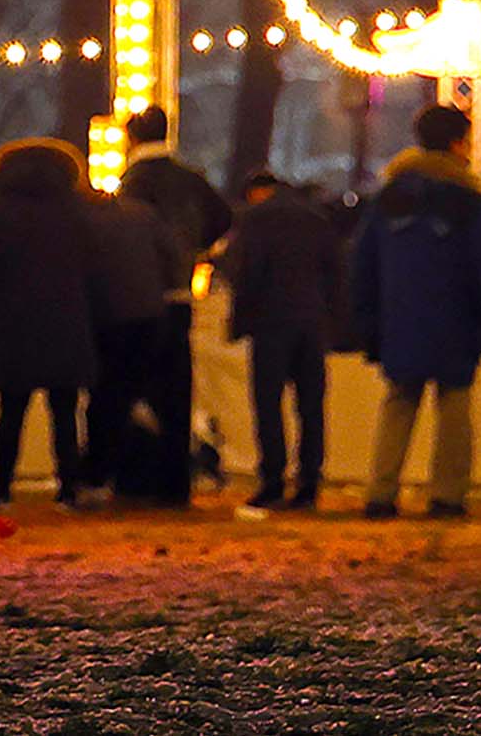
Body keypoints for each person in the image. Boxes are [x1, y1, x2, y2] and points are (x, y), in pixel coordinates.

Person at [352, 104, 481, 520]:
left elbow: (363, 261)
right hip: (456, 320)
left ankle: (381, 492)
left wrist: (367, 319)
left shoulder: (390, 197)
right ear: (458, 143)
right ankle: (447, 495)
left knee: (398, 402)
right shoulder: (470, 202)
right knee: (454, 407)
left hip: (399, 317)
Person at [0, 140, 98, 510]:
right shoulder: (77, 211)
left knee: (11, 412)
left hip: (15, 320)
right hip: (67, 318)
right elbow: (98, 260)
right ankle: (68, 488)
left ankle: (2, 488)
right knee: (65, 411)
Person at [119, 105, 229, 506]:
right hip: (182, 297)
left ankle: (138, 480)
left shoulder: (133, 183)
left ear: (131, 137)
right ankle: (175, 482)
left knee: (136, 388)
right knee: (178, 392)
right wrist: (198, 251)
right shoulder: (191, 179)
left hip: (141, 298)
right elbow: (223, 218)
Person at [222, 169, 344, 514]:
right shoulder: (316, 218)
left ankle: (272, 480)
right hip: (311, 320)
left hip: (270, 321)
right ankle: (309, 484)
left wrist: (238, 323)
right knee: (310, 406)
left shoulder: (254, 219)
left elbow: (246, 273)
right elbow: (335, 271)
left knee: (268, 403)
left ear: (256, 192)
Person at [80, 167, 183, 500]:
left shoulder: (85, 222)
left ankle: (98, 475)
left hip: (108, 318)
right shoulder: (144, 215)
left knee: (105, 398)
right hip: (152, 316)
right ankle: (145, 475)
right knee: (138, 393)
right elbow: (172, 255)